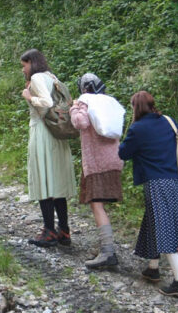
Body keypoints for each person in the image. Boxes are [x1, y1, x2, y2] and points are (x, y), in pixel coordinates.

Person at [118, 91, 178, 297]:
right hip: (176, 181)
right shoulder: (168, 121)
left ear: (135, 108)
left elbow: (123, 153)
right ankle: (153, 267)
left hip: (156, 183)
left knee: (166, 229)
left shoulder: (138, 128)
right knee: (155, 223)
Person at [20, 49, 76, 247]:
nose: (23, 70)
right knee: (57, 181)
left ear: (31, 63)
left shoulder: (36, 78)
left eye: (24, 65)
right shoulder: (52, 77)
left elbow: (46, 102)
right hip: (57, 134)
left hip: (43, 132)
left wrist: (29, 96)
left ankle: (49, 231)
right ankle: (64, 230)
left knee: (44, 179)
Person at [69, 73, 124, 268]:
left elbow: (80, 123)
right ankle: (105, 246)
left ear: (84, 89)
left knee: (96, 203)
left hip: (97, 161)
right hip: (114, 158)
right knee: (100, 203)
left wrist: (74, 106)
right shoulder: (110, 102)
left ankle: (108, 251)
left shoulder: (85, 101)